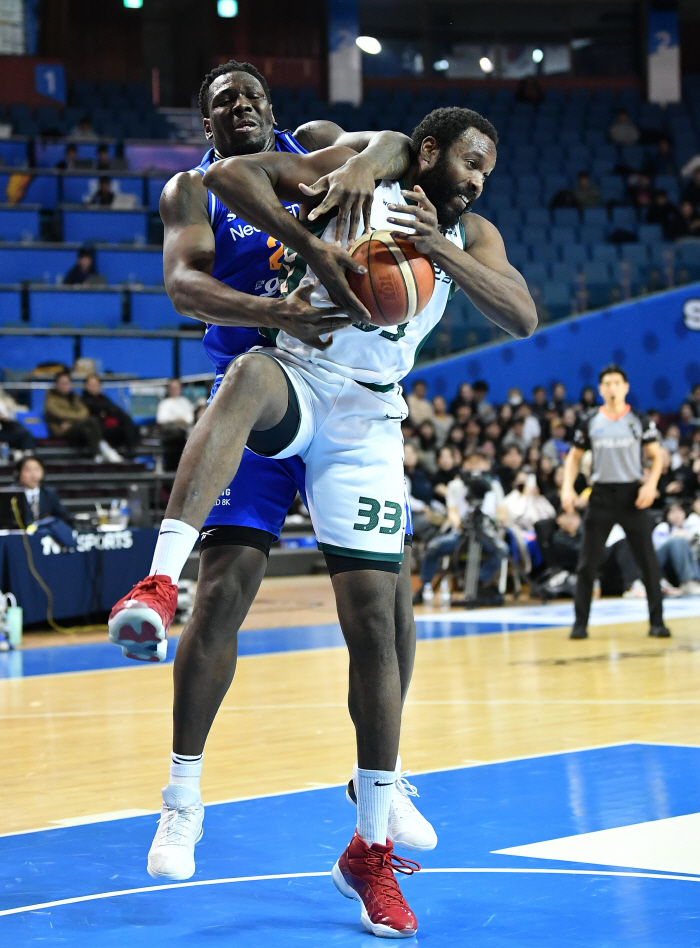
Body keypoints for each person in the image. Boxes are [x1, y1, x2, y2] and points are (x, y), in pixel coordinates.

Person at [109, 103, 537, 936]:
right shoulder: (367, 168)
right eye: (470, 161)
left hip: (369, 418)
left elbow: (520, 315)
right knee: (245, 382)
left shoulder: (472, 233)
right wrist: (323, 216)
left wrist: (440, 248)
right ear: (428, 150)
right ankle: (160, 583)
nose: (479, 178)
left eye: (489, 169)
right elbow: (230, 175)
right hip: (299, 372)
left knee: (381, 622)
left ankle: (368, 852)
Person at [103, 58, 434, 900]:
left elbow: (400, 144)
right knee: (223, 597)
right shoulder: (194, 189)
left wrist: (368, 164)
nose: (240, 107)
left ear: (273, 110)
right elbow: (184, 286)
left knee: (390, 612)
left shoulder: (315, 150)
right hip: (262, 399)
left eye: (251, 96)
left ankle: (379, 790)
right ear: (204, 124)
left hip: (352, 403)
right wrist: (280, 310)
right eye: (222, 102)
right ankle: (181, 797)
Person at [562, 364, 668, 639]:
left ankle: (657, 623)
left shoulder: (639, 420)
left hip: (633, 495)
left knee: (648, 562)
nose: (612, 388)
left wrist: (651, 484)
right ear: (600, 389)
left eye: (617, 383)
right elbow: (573, 458)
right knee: (587, 563)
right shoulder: (590, 422)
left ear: (625, 387)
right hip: (601, 496)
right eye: (607, 383)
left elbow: (657, 456)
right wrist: (566, 489)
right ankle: (580, 624)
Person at [415, 451, 506, 603]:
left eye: (480, 461)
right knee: (434, 546)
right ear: (464, 464)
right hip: (461, 533)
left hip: (485, 533)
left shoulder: (494, 485)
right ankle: (425, 585)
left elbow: (501, 511)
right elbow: (453, 511)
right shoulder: (455, 485)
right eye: (471, 461)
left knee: (502, 549)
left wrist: (497, 521)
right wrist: (460, 524)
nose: (475, 465)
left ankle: (479, 584)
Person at [44, 371, 121, 462]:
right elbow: (59, 413)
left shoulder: (75, 397)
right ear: (56, 384)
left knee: (90, 427)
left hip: (75, 426)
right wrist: (76, 417)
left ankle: (98, 455)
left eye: (68, 383)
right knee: (90, 421)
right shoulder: (51, 399)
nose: (66, 386)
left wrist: (71, 421)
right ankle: (102, 447)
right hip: (62, 430)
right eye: (63, 383)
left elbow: (85, 412)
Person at [652, 502, 700, 595]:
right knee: (678, 541)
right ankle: (687, 582)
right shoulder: (663, 527)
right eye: (673, 512)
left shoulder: (688, 528)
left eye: (679, 512)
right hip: (661, 563)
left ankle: (695, 581)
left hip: (678, 568)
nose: (677, 515)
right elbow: (657, 547)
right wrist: (673, 537)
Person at [82, 375, 139, 454]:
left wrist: (106, 412)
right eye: (91, 385)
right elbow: (96, 410)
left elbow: (115, 409)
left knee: (128, 421)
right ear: (85, 386)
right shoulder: (83, 399)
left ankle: (132, 450)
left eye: (96, 385)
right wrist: (104, 411)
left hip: (110, 425)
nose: (94, 387)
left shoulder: (103, 398)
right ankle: (130, 451)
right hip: (99, 429)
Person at [12, 455, 73, 527]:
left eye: (37, 469)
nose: (33, 475)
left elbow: (64, 516)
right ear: (19, 474)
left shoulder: (49, 493)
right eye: (28, 470)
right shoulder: (12, 495)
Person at [156, 378, 194, 471]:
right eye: (172, 388)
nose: (175, 390)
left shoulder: (185, 402)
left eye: (177, 388)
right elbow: (162, 419)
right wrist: (177, 420)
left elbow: (190, 419)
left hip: (185, 437)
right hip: (169, 438)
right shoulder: (164, 404)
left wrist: (178, 420)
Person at [0, 387, 35, 453]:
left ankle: (28, 456)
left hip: (5, 426)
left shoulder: (2, 398)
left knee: (24, 433)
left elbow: (9, 413)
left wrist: (6, 416)